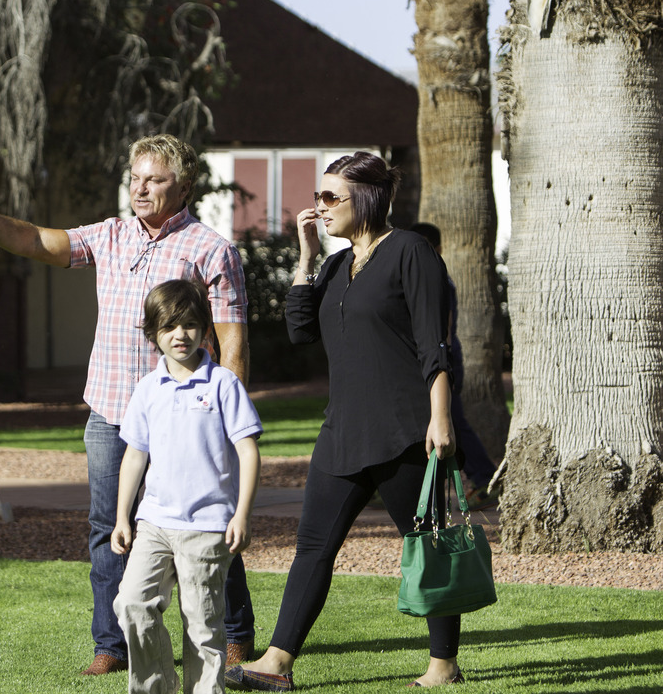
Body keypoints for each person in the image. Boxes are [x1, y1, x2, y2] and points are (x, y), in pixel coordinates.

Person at [0, 134, 256, 675]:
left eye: (155, 179)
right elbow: (37, 241)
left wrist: (224, 420)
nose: (141, 188)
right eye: (136, 177)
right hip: (111, 416)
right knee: (109, 526)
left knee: (207, 524)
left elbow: (234, 342)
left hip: (186, 419)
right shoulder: (110, 235)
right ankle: (111, 645)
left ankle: (236, 635)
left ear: (184, 185)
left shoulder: (209, 248)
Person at [226, 152, 465, 691]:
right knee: (313, 546)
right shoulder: (336, 264)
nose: (320, 206)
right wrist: (307, 255)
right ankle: (277, 663)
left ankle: (444, 663)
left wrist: (441, 417)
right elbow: (300, 330)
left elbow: (434, 343)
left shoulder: (410, 252)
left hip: (406, 430)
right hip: (342, 431)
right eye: (318, 196)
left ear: (370, 198)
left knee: (425, 543)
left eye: (332, 197)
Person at [112, 279, 262, 694]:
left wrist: (241, 514)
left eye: (191, 325)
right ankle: (156, 688)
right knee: (132, 604)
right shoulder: (146, 390)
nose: (181, 335)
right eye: (169, 327)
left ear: (205, 329)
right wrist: (122, 517)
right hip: (154, 523)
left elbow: (248, 452)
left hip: (208, 525)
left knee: (202, 626)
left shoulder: (223, 385)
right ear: (153, 334)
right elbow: (135, 456)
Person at [409, 222, 500, 510]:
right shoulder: (422, 279)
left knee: (452, 422)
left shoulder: (439, 281)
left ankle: (485, 478)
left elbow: (443, 329)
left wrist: (441, 361)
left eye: (424, 247)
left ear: (438, 249)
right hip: (435, 359)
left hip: (444, 360)